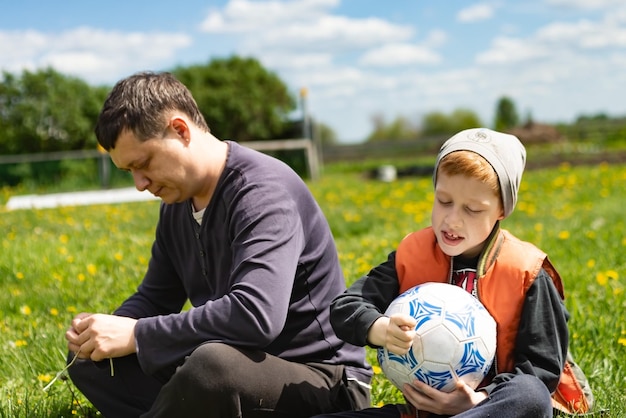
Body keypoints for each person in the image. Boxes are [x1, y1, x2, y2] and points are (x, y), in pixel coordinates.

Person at [64, 71, 372, 418]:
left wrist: (137, 334)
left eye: (144, 163)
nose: (139, 183)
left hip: (323, 383)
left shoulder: (261, 191)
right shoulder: (176, 206)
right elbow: (155, 297)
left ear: (180, 130)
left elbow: (256, 315)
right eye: (129, 171)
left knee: (212, 366)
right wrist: (105, 330)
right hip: (238, 369)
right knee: (92, 361)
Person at [312, 128, 575, 418]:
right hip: (417, 412)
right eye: (444, 201)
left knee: (531, 395)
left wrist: (479, 400)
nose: (452, 220)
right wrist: (380, 328)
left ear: (502, 210)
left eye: (472, 209)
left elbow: (542, 370)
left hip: (491, 409)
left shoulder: (528, 272)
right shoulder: (411, 256)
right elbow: (344, 307)